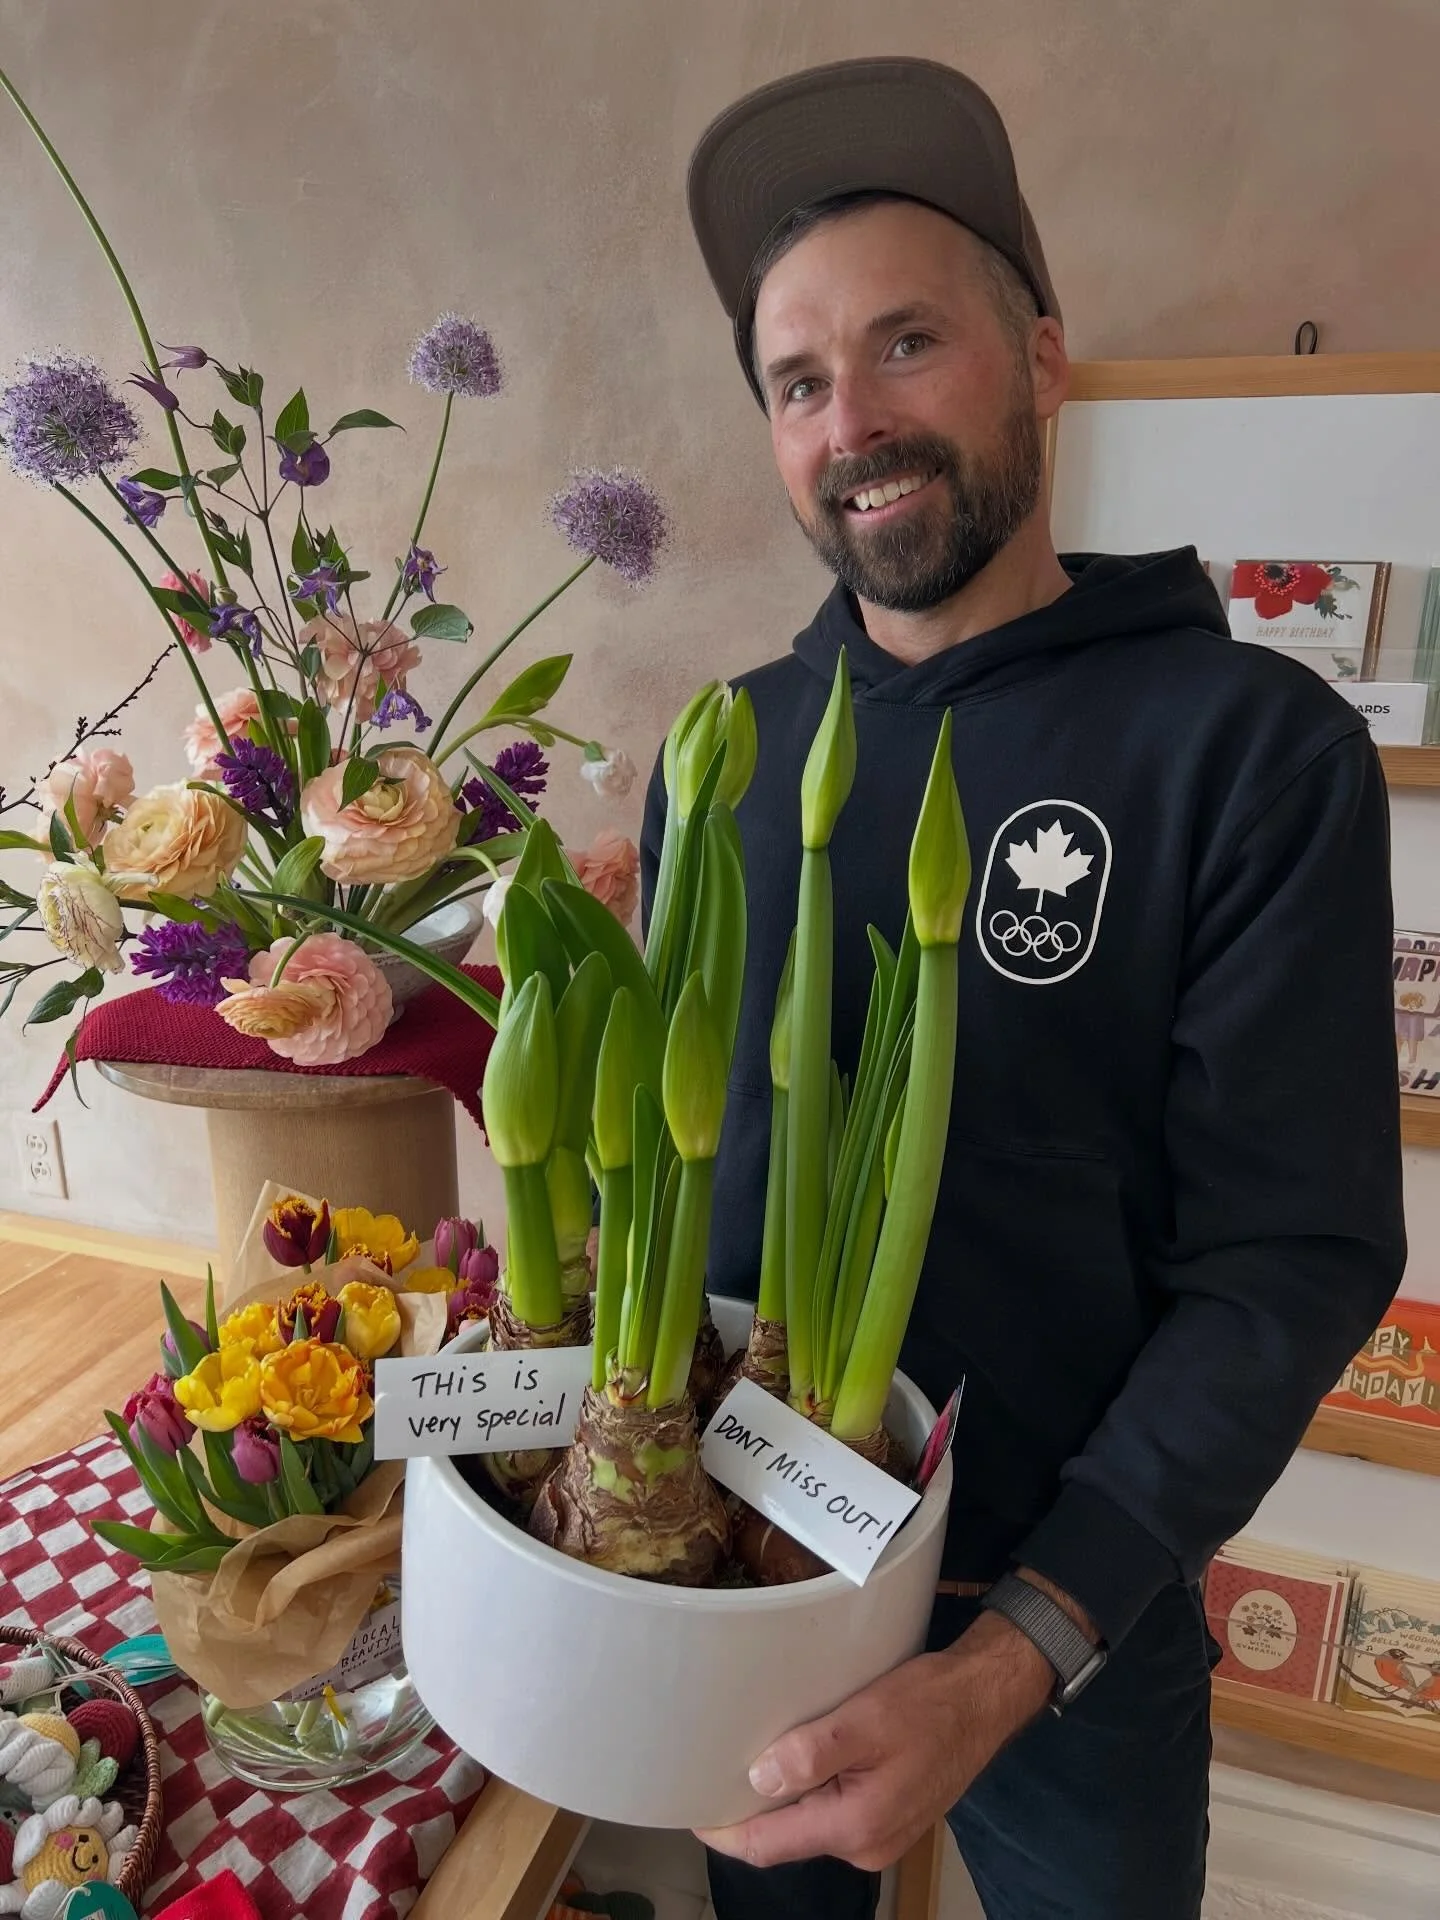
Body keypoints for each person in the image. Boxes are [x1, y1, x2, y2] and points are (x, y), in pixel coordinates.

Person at [637, 57, 1407, 1920]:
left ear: (1044, 357)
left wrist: (1016, 1657)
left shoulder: (1248, 752)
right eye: (801, 382)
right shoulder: (721, 753)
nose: (855, 423)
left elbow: (1287, 1260)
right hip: (744, 1595)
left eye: (911, 345)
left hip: (1062, 1624)